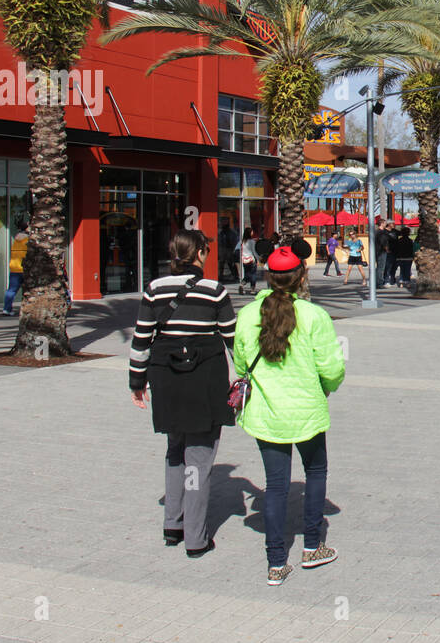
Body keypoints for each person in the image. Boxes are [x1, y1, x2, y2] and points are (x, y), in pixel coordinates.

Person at [233, 246, 345, 585]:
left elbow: (240, 363)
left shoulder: (248, 315)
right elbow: (332, 367)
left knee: (276, 486)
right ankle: (312, 546)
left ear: (268, 276)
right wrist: (326, 386)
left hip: (266, 413)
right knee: (316, 472)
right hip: (307, 410)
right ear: (301, 276)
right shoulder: (314, 316)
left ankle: (276, 563)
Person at [130, 230, 235, 558]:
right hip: (204, 381)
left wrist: (136, 382)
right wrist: (246, 378)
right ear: (200, 253)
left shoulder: (154, 289)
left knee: (175, 449)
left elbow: (141, 338)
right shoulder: (214, 291)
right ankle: (196, 537)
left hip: (167, 379)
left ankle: (172, 524)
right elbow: (233, 339)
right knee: (199, 458)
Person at [3, 224, 29, 314]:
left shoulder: (16, 241)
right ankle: (27, 310)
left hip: (14, 268)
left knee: (11, 290)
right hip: (25, 268)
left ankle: (6, 309)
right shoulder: (28, 240)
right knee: (28, 291)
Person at [237, 227, 257, 294]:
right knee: (253, 275)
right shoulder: (252, 241)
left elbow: (239, 250)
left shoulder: (242, 241)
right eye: (251, 232)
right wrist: (258, 258)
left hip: (244, 260)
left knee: (247, 274)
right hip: (251, 259)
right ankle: (252, 289)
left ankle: (241, 285)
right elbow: (254, 251)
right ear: (250, 233)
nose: (252, 233)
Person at [374, 219, 393, 287]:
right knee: (381, 267)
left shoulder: (376, 232)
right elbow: (383, 242)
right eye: (385, 223)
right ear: (382, 223)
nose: (386, 224)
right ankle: (379, 283)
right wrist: (387, 249)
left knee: (379, 267)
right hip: (381, 252)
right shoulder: (382, 232)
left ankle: (376, 281)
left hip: (377, 251)